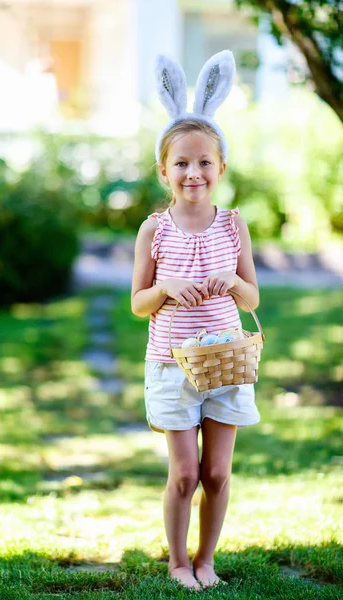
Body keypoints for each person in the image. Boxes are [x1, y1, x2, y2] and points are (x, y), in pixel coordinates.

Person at [131, 51, 261, 590]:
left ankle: (206, 559)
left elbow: (252, 298)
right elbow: (138, 302)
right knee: (184, 473)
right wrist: (164, 289)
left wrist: (231, 283)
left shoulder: (234, 225)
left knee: (217, 473)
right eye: (181, 163)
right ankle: (177, 563)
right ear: (164, 170)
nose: (193, 172)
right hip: (171, 364)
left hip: (225, 362)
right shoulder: (154, 230)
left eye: (205, 161)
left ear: (221, 168)